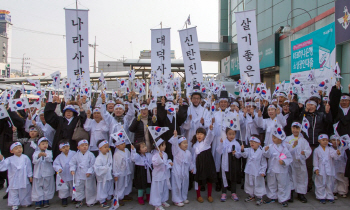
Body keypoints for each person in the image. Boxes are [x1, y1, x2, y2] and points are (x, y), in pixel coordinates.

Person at [300, 98, 332, 192]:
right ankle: (308, 184)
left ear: (316, 106)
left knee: (320, 165)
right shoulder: (304, 115)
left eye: (312, 104)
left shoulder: (321, 115)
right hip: (308, 143)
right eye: (309, 104)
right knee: (308, 166)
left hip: (319, 144)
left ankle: (322, 187)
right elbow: (298, 121)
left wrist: (327, 112)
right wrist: (304, 111)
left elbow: (329, 122)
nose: (310, 106)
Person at [263, 124, 293, 207]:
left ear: (280, 139)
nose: (273, 139)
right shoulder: (270, 146)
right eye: (272, 138)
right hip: (272, 169)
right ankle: (271, 196)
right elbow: (266, 154)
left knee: (282, 184)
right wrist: (265, 150)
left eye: (275, 138)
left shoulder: (284, 148)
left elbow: (289, 158)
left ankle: (283, 198)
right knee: (271, 183)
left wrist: (283, 162)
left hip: (281, 170)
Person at [0, 142, 33, 210]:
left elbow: (29, 167)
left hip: (23, 178)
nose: (19, 150)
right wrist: (2, 159)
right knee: (14, 192)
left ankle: (25, 202)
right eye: (16, 148)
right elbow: (3, 167)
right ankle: (14, 204)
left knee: (25, 190)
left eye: (20, 147)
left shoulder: (25, 157)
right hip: (14, 179)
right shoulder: (9, 159)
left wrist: (30, 176)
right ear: (11, 151)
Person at [284, 122, 311, 203]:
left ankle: (301, 194)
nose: (295, 130)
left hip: (300, 163)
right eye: (294, 128)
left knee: (301, 178)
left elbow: (308, 150)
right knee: (290, 177)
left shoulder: (303, 140)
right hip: (291, 162)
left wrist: (304, 153)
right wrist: (293, 146)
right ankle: (290, 193)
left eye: (297, 128)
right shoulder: (288, 139)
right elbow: (285, 149)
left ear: (300, 129)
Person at [157, 95, 188, 161]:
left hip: (175, 142)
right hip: (166, 141)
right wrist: (162, 106)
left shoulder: (176, 116)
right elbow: (160, 119)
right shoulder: (163, 117)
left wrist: (181, 106)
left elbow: (182, 118)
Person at [191, 125, 216, 203]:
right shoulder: (194, 146)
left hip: (208, 163)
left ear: (204, 136)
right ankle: (198, 196)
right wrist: (193, 167)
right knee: (198, 180)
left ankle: (209, 195)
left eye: (201, 134)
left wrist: (210, 130)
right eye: (198, 134)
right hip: (199, 165)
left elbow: (209, 137)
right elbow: (193, 157)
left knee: (209, 179)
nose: (199, 135)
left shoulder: (206, 143)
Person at [313, 134, 341, 204]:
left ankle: (329, 196)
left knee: (329, 183)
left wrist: (337, 153)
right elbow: (315, 160)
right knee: (320, 183)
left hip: (329, 168)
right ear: (319, 141)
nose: (325, 142)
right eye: (323, 140)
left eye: (326, 140)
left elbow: (334, 156)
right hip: (321, 169)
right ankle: (321, 196)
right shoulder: (317, 150)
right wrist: (316, 168)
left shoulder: (330, 149)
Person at [216, 128, 242, 202]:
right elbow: (219, 151)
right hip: (225, 161)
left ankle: (233, 192)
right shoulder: (224, 142)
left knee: (233, 177)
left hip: (233, 162)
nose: (231, 136)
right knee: (224, 177)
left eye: (233, 134)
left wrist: (236, 153)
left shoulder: (236, 143)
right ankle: (224, 192)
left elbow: (239, 154)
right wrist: (221, 144)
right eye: (229, 134)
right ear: (226, 134)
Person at [69, 139, 97, 208]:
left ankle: (91, 201)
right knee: (79, 188)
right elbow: (72, 163)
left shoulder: (90, 155)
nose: (84, 147)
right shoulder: (76, 155)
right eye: (82, 145)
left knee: (90, 188)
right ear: (78, 147)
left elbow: (93, 165)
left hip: (88, 175)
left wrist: (90, 171)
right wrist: (72, 170)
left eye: (86, 145)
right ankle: (79, 200)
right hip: (79, 174)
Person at [241, 135, 267, 206]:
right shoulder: (249, 150)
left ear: (259, 143)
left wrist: (262, 171)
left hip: (257, 172)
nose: (252, 143)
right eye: (251, 142)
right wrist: (242, 150)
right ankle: (251, 195)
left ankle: (259, 197)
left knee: (258, 184)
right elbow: (244, 155)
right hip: (249, 171)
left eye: (254, 142)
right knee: (249, 183)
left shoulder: (261, 152)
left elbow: (263, 163)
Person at [169, 131, 192, 207]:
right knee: (177, 185)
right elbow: (174, 145)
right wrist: (175, 137)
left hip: (185, 172)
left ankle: (183, 197)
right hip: (177, 171)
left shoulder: (188, 152)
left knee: (185, 185)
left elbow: (190, 161)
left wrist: (192, 168)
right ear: (179, 145)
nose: (186, 145)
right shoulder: (176, 151)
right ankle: (177, 200)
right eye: (184, 143)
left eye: (186, 143)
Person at [31, 137, 55, 209]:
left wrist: (46, 156)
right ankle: (38, 200)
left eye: (46, 143)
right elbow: (34, 161)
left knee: (47, 186)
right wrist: (39, 156)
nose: (45, 145)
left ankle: (46, 200)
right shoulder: (35, 153)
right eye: (43, 144)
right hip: (38, 174)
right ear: (39, 145)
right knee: (38, 187)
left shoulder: (49, 152)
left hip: (47, 173)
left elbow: (50, 159)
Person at [149, 138, 173, 210]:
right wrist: (160, 157)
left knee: (164, 188)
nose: (165, 146)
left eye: (165, 145)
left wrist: (169, 162)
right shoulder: (155, 154)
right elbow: (155, 163)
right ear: (157, 147)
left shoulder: (165, 154)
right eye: (163, 145)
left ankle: (163, 200)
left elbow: (165, 162)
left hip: (164, 174)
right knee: (158, 190)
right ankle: (157, 204)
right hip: (158, 175)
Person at [112, 133, 133, 206]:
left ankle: (126, 194)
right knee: (120, 184)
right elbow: (115, 165)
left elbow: (131, 158)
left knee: (127, 182)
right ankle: (119, 197)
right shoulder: (117, 154)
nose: (123, 145)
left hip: (127, 170)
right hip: (120, 172)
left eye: (124, 143)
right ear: (117, 146)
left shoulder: (127, 150)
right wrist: (116, 174)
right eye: (121, 144)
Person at [53, 140, 76, 207]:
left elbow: (76, 162)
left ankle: (74, 198)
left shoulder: (74, 153)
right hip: (63, 174)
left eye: (67, 146)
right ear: (60, 149)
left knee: (73, 186)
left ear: (69, 146)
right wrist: (59, 168)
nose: (66, 149)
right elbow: (55, 164)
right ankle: (64, 198)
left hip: (71, 174)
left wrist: (73, 168)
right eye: (63, 147)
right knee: (63, 188)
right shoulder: (59, 157)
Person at [93, 140, 113, 208]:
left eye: (108, 147)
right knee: (102, 188)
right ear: (100, 148)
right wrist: (105, 168)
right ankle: (102, 201)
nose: (107, 148)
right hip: (102, 177)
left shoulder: (109, 155)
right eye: (105, 147)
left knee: (109, 186)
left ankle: (108, 197)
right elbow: (97, 168)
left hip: (108, 175)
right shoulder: (99, 158)